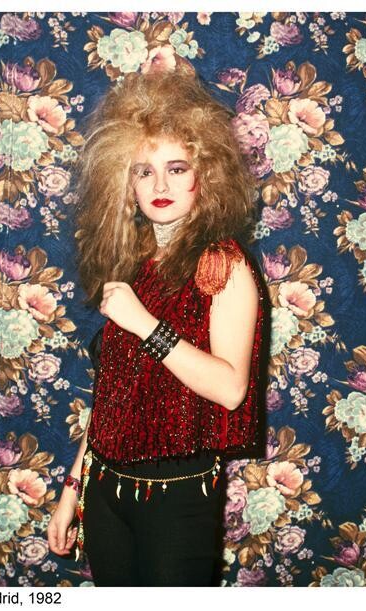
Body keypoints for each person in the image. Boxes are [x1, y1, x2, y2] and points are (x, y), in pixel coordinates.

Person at [46, 67, 266, 587]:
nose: (160, 185)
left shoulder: (223, 263)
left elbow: (230, 388)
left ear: (205, 175)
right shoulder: (135, 263)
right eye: (144, 171)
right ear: (126, 183)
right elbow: (113, 395)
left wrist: (145, 324)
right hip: (104, 490)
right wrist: (72, 490)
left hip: (177, 496)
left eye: (176, 168)